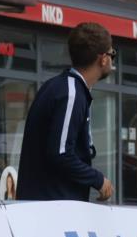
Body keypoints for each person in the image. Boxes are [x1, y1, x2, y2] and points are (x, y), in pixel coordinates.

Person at [16, 23, 114, 202]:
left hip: (45, 203)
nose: (112, 60)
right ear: (103, 59)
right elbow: (61, 154)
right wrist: (98, 180)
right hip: (53, 206)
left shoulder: (62, 87)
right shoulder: (71, 93)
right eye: (112, 54)